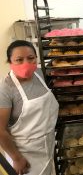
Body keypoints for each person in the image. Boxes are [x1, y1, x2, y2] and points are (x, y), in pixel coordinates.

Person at [0, 40, 59, 175]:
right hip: (24, 153)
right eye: (19, 60)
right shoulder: (5, 88)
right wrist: (16, 158)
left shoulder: (39, 74)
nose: (26, 63)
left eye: (31, 58)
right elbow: (0, 131)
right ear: (10, 62)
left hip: (47, 144)